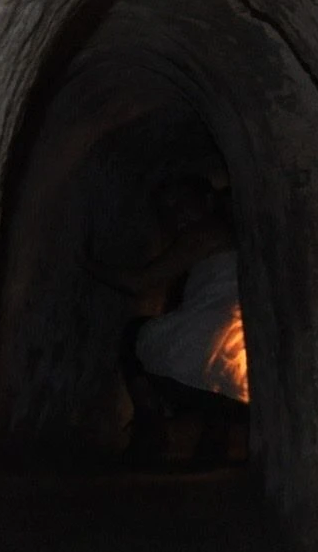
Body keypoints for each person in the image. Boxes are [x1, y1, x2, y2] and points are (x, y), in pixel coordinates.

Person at [88, 175, 249, 467]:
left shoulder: (205, 233)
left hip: (218, 360)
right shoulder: (237, 232)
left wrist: (89, 264)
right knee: (210, 347)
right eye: (168, 210)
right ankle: (215, 435)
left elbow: (140, 281)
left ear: (206, 202)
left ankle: (150, 427)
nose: (177, 216)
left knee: (138, 335)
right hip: (243, 373)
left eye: (183, 204)